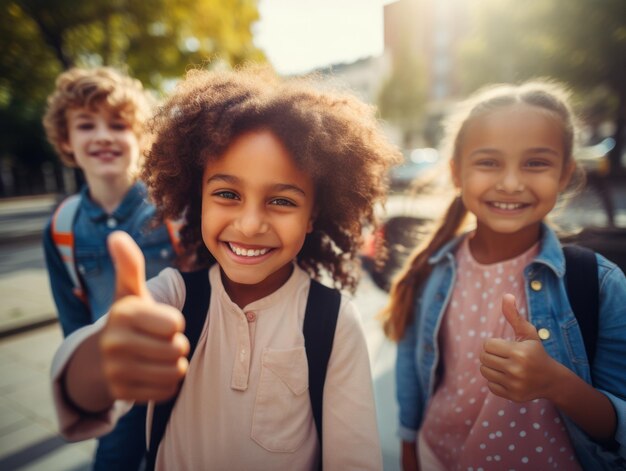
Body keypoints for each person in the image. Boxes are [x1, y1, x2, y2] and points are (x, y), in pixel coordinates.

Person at [49, 66, 403, 470]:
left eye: (282, 200)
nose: (251, 223)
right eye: (228, 194)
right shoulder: (172, 297)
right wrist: (102, 361)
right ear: (197, 197)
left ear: (312, 214)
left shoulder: (334, 321)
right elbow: (82, 387)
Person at [380, 81, 626, 470]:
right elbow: (412, 370)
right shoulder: (431, 272)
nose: (511, 183)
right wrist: (410, 450)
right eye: (489, 162)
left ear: (565, 175)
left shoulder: (599, 284)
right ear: (457, 173)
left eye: (535, 163)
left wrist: (556, 383)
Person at [42, 67, 178, 470]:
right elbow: (73, 319)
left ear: (139, 137)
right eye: (86, 125)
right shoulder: (62, 226)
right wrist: (91, 379)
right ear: (67, 140)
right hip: (119, 384)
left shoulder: (174, 210)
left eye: (118, 125)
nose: (103, 135)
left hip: (180, 371)